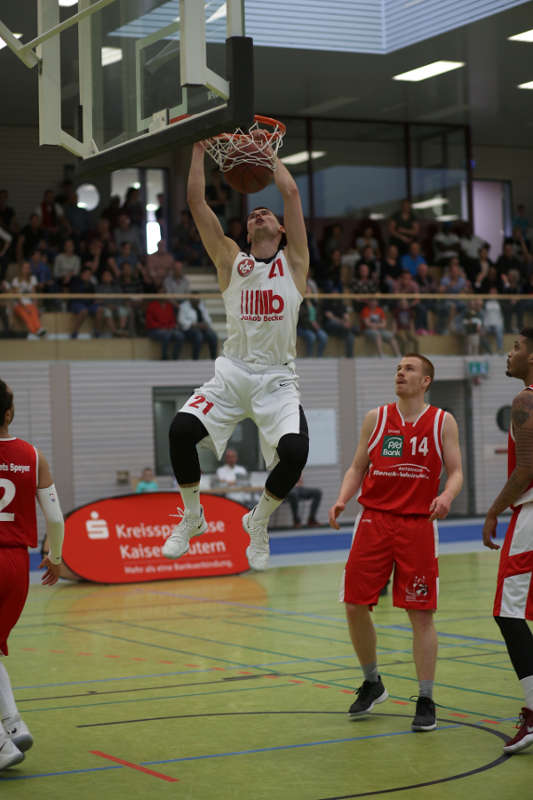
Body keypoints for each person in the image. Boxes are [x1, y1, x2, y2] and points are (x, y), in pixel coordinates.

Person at [162, 141, 309, 571]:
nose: (259, 214)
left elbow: (291, 194)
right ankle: (192, 517)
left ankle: (257, 521)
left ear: (281, 230)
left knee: (295, 453)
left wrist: (268, 153)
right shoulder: (230, 260)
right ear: (246, 234)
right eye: (252, 215)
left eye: (267, 214)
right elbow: (195, 200)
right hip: (232, 373)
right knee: (180, 431)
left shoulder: (295, 264)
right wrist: (195, 150)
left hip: (278, 379)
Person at [329, 354, 463, 732]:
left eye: (409, 369)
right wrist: (342, 497)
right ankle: (372, 682)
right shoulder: (376, 418)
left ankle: (426, 698)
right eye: (398, 368)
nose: (400, 373)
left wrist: (447, 496)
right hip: (373, 520)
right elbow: (358, 465)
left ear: (426, 381)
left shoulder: (442, 422)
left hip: (417, 525)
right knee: (355, 604)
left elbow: (456, 473)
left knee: (420, 614)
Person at [0, 379, 64, 769]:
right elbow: (55, 518)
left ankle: (2, 747)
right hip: (16, 567)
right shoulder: (33, 455)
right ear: (8, 413)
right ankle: (13, 724)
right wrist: (54, 556)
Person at [482, 329, 533, 754]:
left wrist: (495, 509)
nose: (509, 352)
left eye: (516, 347)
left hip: (531, 514)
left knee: (507, 612)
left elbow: (526, 470)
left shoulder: (525, 400)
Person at [178, 294, 218, 360]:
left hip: (202, 328)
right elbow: (181, 320)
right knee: (198, 336)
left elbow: (208, 318)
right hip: (189, 329)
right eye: (195, 301)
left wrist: (206, 324)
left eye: (198, 301)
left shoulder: (201, 306)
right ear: (191, 300)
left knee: (213, 335)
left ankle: (213, 358)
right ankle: (195, 358)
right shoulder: (184, 306)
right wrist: (194, 324)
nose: (197, 302)